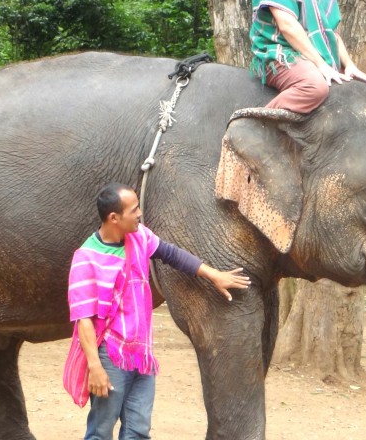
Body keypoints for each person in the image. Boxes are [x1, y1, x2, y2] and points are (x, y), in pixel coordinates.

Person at [68, 183, 250, 440]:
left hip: (140, 355)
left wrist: (214, 275)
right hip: (111, 357)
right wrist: (95, 367)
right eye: (134, 210)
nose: (140, 213)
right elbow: (83, 319)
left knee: (138, 431)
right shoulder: (86, 258)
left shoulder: (139, 237)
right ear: (114, 218)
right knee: (100, 430)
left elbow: (171, 254)